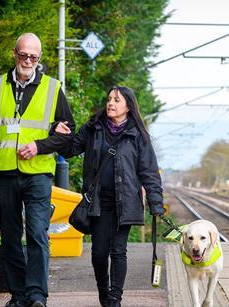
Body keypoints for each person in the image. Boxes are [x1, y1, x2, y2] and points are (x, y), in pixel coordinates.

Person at [0, 32, 75, 307]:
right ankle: (18, 295)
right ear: (14, 54)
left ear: (39, 59)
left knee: (38, 233)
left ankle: (38, 295)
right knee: (10, 236)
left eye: (33, 57)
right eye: (23, 55)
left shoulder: (52, 88)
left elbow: (68, 133)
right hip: (4, 172)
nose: (28, 60)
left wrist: (39, 146)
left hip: (38, 173)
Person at [55, 86, 165, 307]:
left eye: (117, 100)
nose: (111, 104)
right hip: (98, 203)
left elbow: (149, 171)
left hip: (125, 202)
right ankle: (104, 294)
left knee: (118, 251)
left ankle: (115, 299)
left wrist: (155, 202)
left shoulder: (138, 135)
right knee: (98, 254)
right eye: (109, 99)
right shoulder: (94, 128)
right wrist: (58, 133)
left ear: (128, 106)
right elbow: (70, 150)